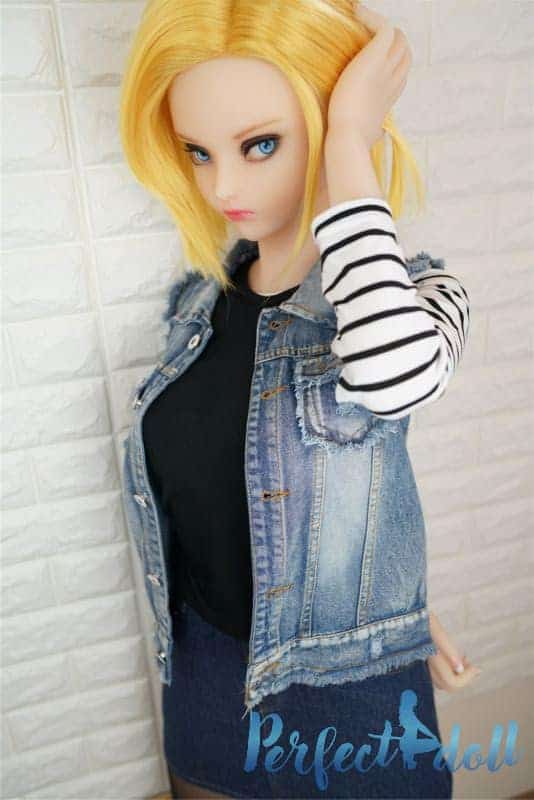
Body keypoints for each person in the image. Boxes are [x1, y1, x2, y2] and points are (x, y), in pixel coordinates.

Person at [119, 2, 480, 797]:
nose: (223, 185)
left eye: (261, 144)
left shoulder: (419, 297)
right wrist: (385, 590)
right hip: (207, 673)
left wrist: (350, 137)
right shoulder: (195, 307)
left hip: (347, 696)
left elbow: (394, 375)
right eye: (199, 152)